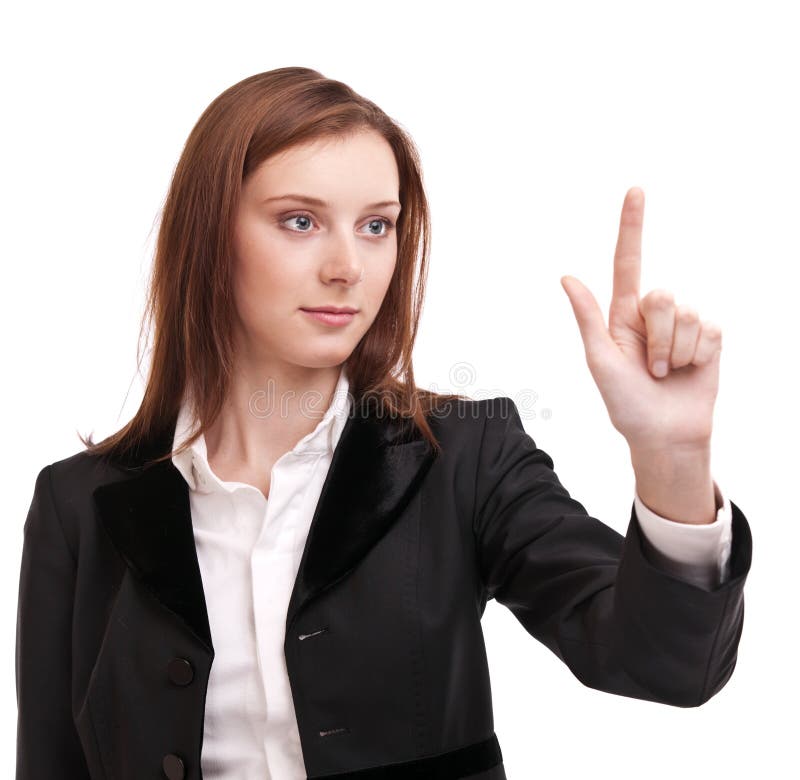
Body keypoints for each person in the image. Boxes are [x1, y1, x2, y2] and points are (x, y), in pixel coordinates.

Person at [15, 67, 752, 780]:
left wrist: (673, 456)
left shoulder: (466, 455)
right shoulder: (77, 505)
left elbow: (670, 666)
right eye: (299, 221)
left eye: (377, 226)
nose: (348, 267)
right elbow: (50, 760)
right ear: (208, 236)